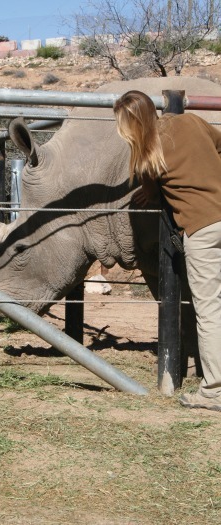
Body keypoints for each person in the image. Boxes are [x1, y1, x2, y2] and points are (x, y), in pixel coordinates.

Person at [113, 90, 221, 412]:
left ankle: (214, 391)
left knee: (210, 311)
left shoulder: (147, 156)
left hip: (202, 231)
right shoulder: (192, 121)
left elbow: (154, 195)